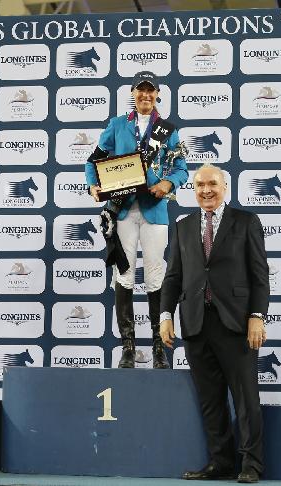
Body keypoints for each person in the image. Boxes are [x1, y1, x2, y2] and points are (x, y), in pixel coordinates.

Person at [160, 164, 269, 484]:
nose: (206, 190)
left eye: (212, 184)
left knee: (246, 399)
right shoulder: (182, 226)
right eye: (199, 185)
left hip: (236, 323)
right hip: (195, 323)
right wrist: (165, 316)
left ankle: (251, 464)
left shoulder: (246, 221)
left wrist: (257, 316)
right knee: (210, 400)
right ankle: (220, 462)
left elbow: (260, 276)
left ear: (225, 187)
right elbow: (173, 277)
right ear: (193, 190)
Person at [85, 71, 188, 369]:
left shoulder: (167, 130)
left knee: (155, 275)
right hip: (123, 210)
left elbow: (182, 169)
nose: (145, 95)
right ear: (133, 93)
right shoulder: (118, 124)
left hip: (154, 210)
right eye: (140, 90)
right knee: (124, 274)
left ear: (157, 94)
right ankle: (127, 347)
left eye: (150, 90)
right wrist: (93, 185)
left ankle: (158, 346)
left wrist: (168, 183)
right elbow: (93, 160)